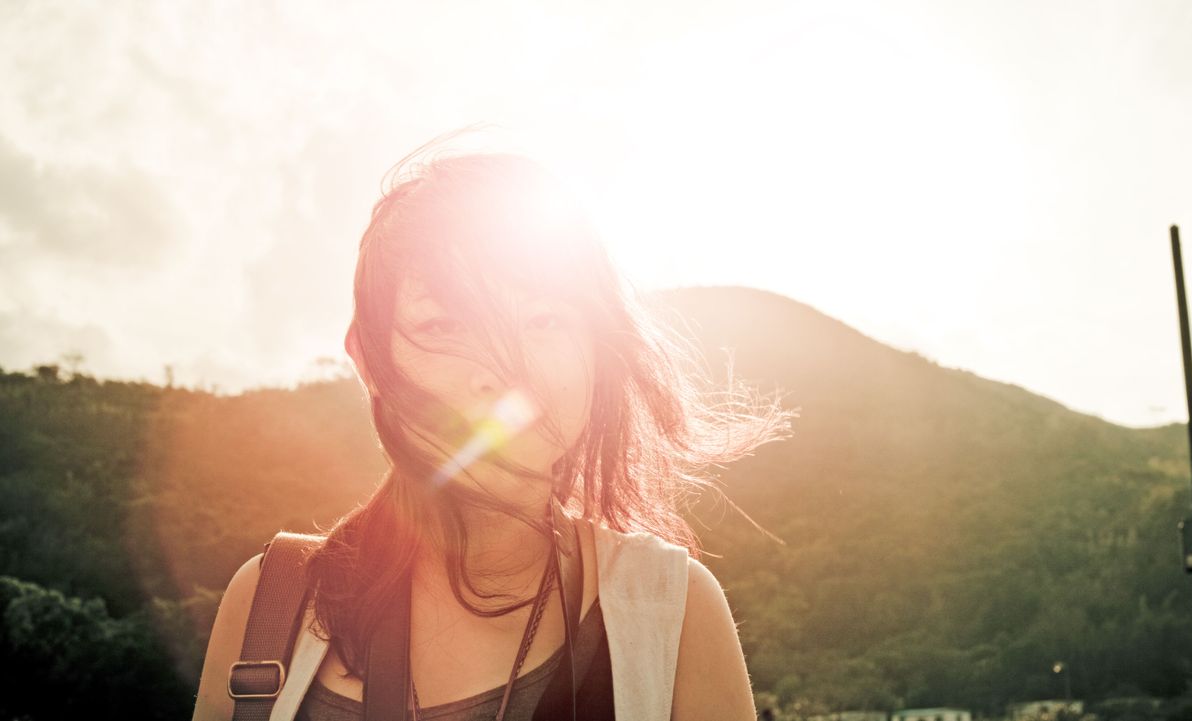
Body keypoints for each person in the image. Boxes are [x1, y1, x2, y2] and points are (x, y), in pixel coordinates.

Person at [191, 129, 793, 721]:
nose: (503, 374)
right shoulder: (268, 608)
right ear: (368, 361)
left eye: (544, 320)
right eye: (442, 326)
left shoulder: (673, 616)